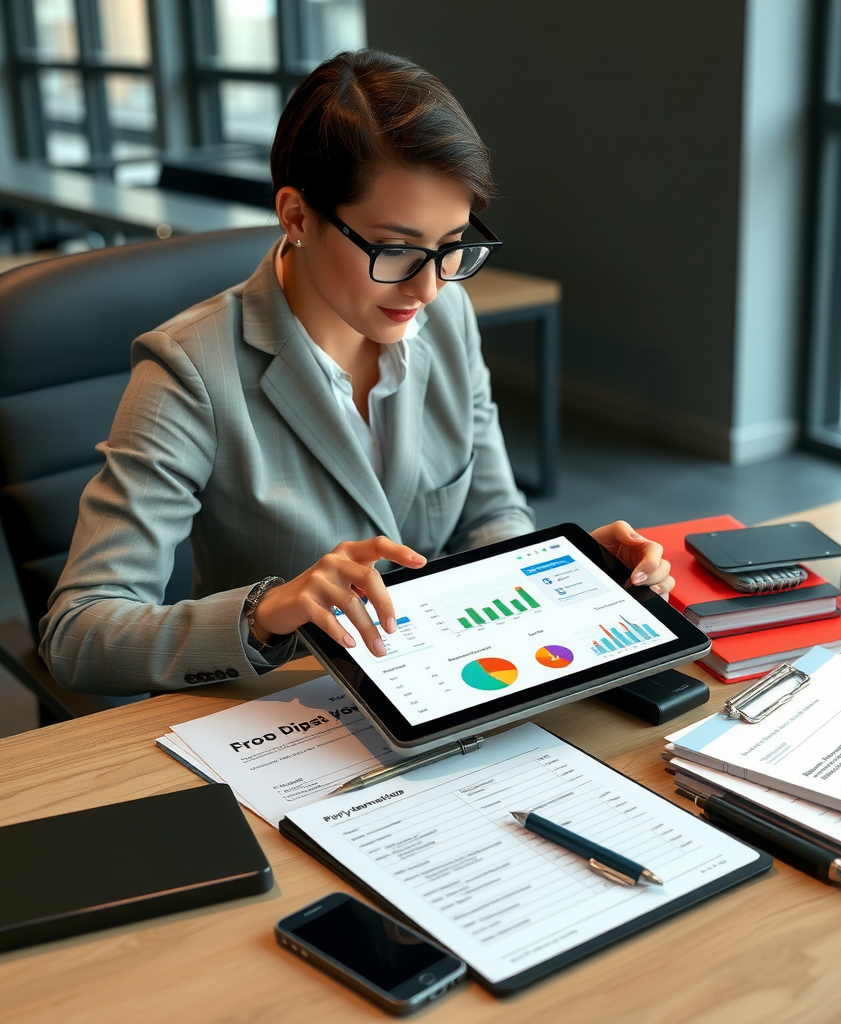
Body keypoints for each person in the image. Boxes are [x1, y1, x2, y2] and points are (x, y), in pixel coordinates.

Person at [40, 50, 673, 697]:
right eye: (395, 249)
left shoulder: (446, 318)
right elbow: (78, 632)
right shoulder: (190, 369)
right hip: (287, 714)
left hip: (442, 683)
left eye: (451, 245)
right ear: (296, 217)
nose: (429, 286)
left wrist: (557, 570)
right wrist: (268, 612)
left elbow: (489, 512)